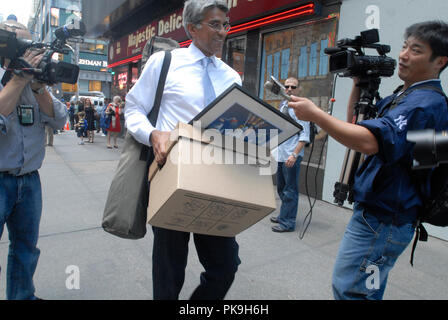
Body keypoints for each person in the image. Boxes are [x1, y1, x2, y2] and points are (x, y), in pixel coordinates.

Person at [288, 20, 448, 300]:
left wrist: (315, 114)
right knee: (363, 289)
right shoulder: (407, 95)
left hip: (386, 218)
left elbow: (368, 141)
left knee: (353, 291)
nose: (403, 55)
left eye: (416, 50)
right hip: (384, 214)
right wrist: (359, 84)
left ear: (440, 61)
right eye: (404, 46)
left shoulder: (426, 103)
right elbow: (360, 122)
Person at [125, 0, 241, 300]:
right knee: (169, 267)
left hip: (216, 177)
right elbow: (134, 109)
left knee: (225, 265)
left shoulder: (231, 76)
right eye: (215, 24)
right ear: (192, 27)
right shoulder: (164, 63)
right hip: (169, 170)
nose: (222, 32)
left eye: (225, 25)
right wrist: (153, 134)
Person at [0, 20, 67, 300]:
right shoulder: (11, 79)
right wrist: (18, 78)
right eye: (23, 44)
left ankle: (22, 296)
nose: (31, 51)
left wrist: (38, 88)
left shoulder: (38, 80)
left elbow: (60, 119)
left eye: (33, 45)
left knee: (26, 247)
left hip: (29, 181)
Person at [270, 77, 310, 232]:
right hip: (281, 154)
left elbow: (304, 136)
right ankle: (283, 215)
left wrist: (294, 155)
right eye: (286, 86)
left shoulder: (301, 108)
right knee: (281, 187)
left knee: (290, 189)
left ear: (298, 89)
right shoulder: (284, 105)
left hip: (291, 155)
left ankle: (288, 222)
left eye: (293, 87)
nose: (289, 89)